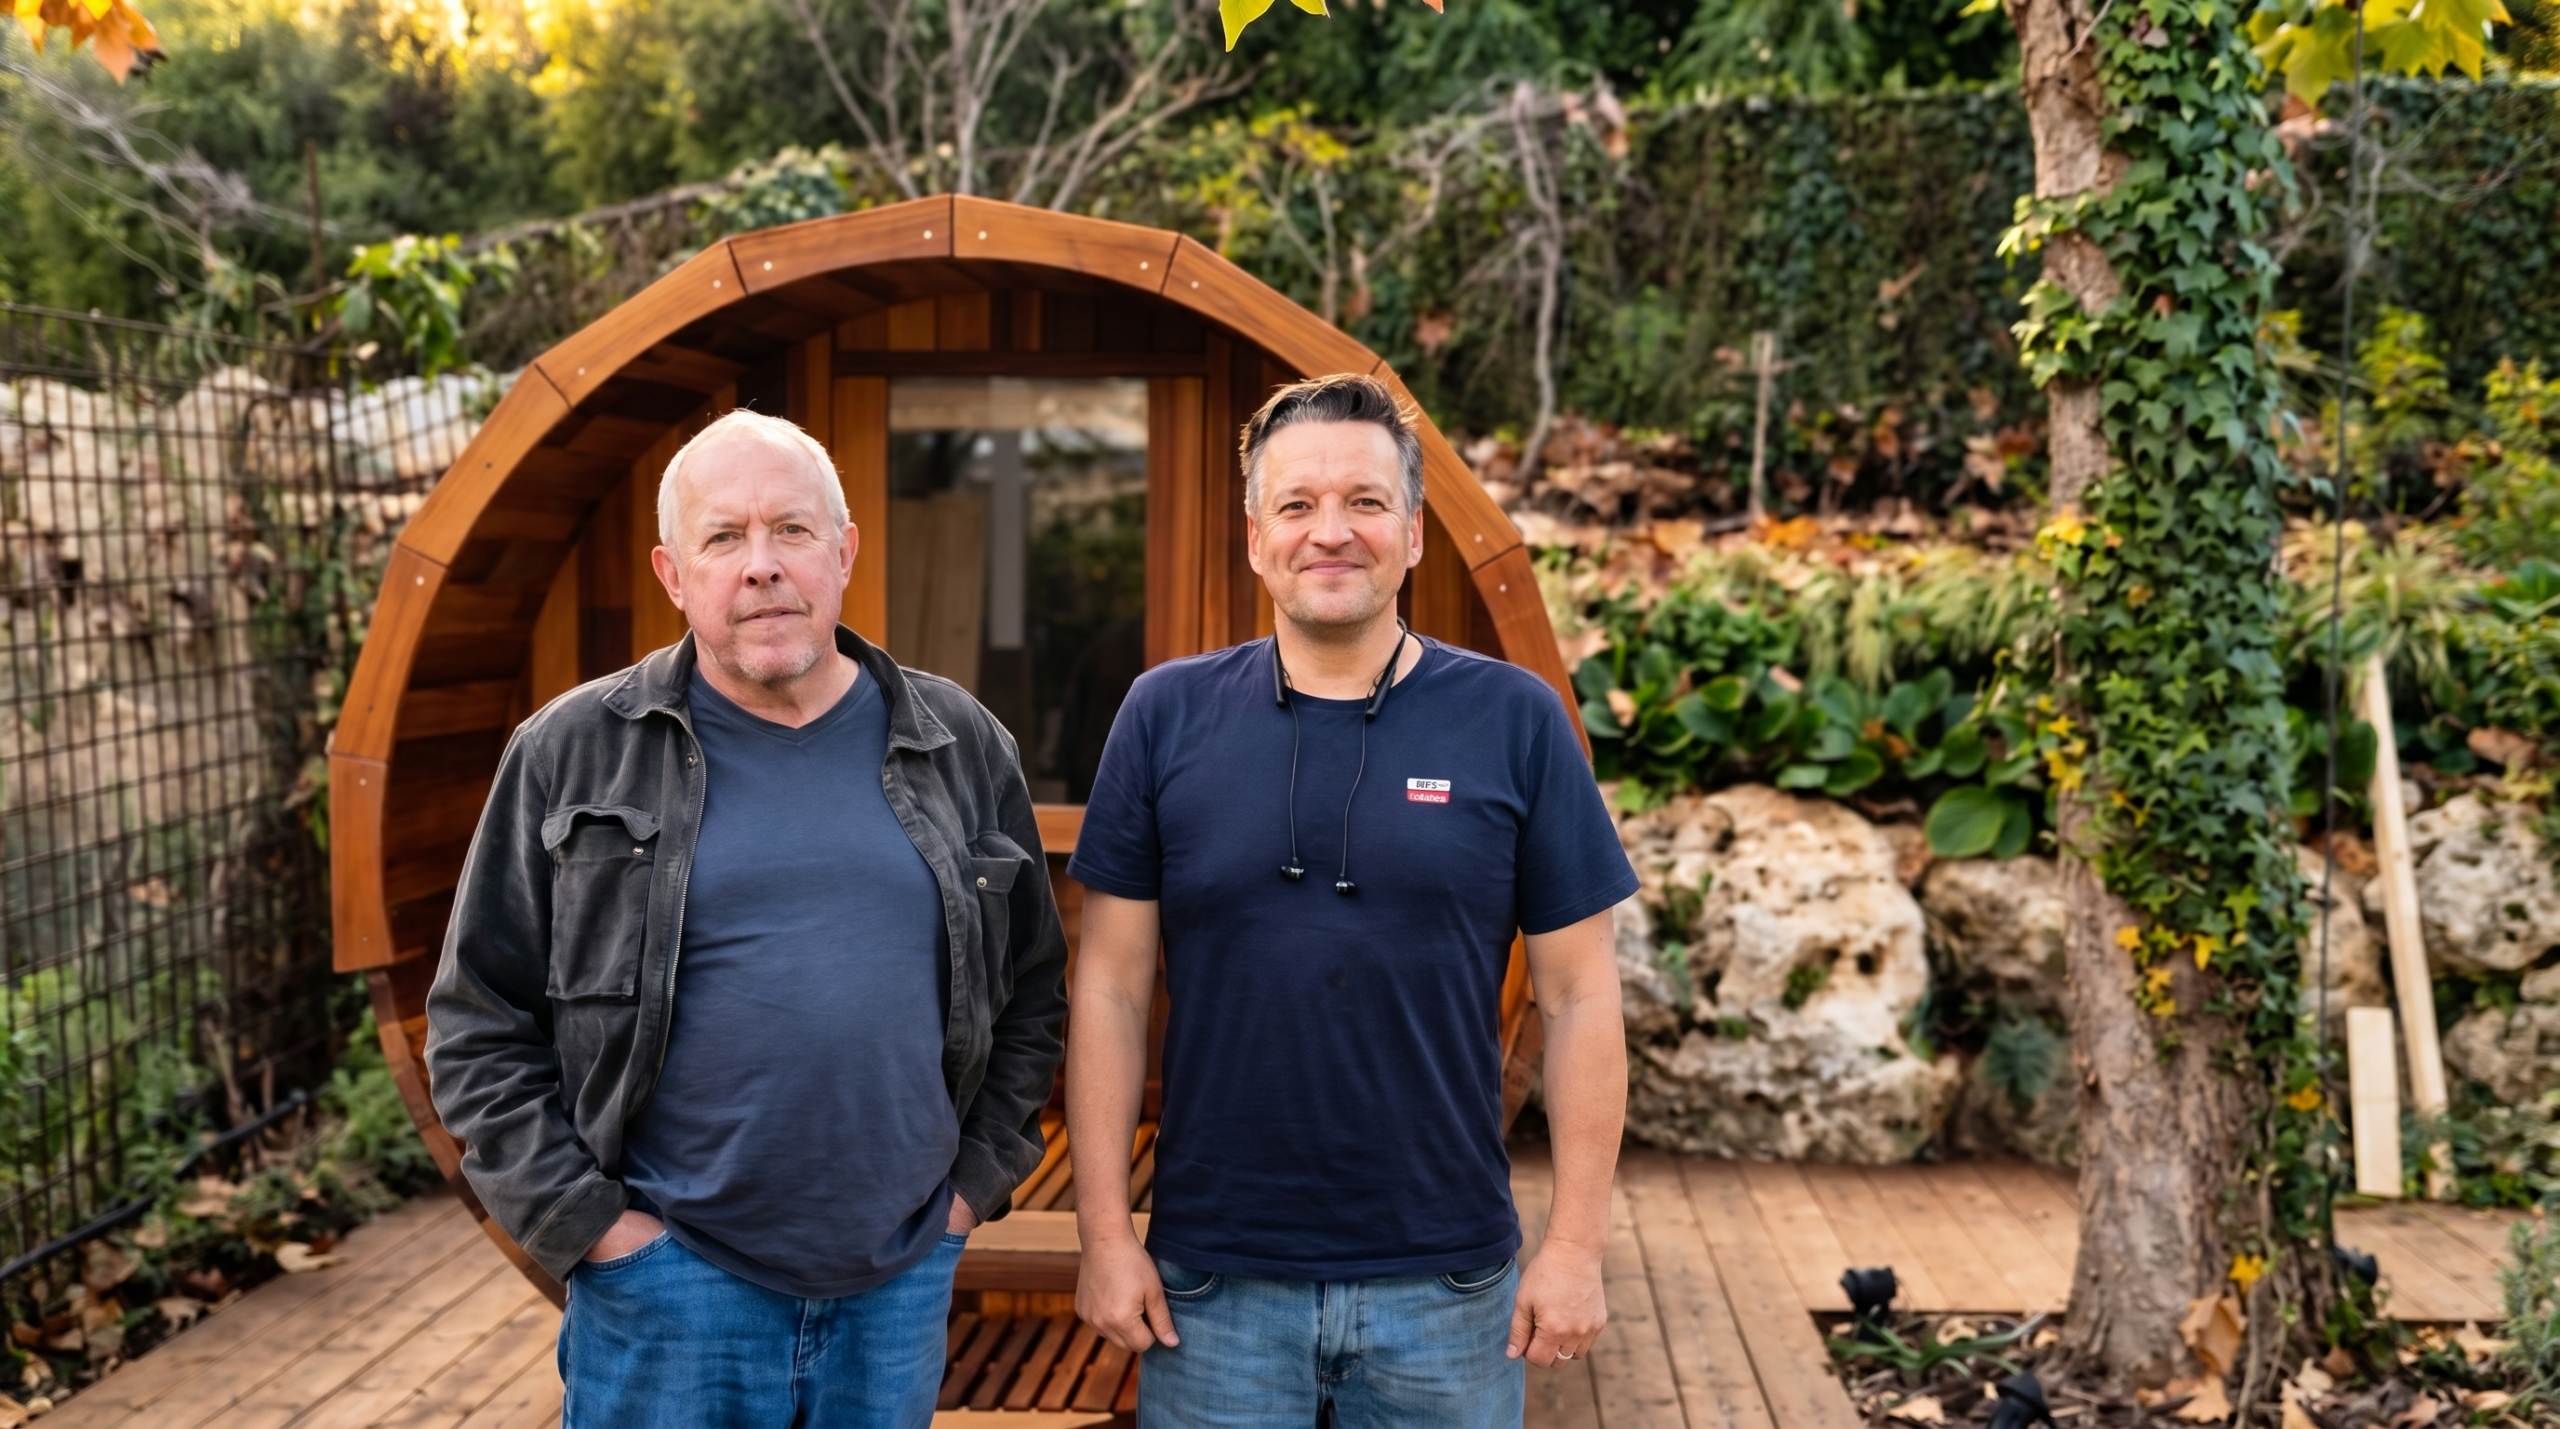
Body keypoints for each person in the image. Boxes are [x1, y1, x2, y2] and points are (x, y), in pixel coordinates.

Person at [425, 409, 1067, 1428]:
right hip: (671, 1287)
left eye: (792, 531)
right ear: (673, 574)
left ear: (844, 551)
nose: (761, 567)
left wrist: (964, 1195)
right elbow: (475, 1026)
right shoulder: (571, 752)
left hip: (895, 1279)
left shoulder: (961, 744)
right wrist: (595, 1230)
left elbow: (1032, 996)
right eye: (724, 538)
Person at [1064, 374, 1635, 1426]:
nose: (1332, 531)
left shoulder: (1514, 720)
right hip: (1214, 1286)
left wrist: (1573, 1246)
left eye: (1365, 503)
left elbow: (1581, 997)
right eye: (1297, 504)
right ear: (1254, 537)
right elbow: (1106, 986)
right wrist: (1105, 1234)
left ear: (1413, 533)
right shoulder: (1164, 716)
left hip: (1448, 1286)